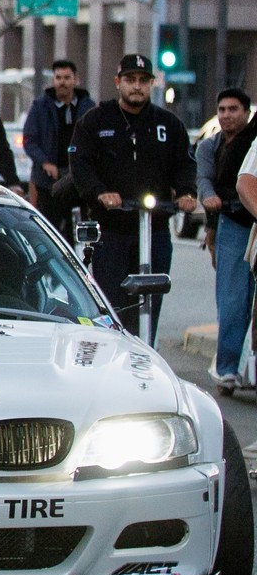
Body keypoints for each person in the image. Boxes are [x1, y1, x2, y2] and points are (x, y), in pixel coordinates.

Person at [71, 52, 197, 335]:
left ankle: (146, 357)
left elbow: (185, 164)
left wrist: (187, 193)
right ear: (118, 82)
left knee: (151, 302)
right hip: (112, 229)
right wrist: (100, 193)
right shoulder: (97, 120)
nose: (136, 86)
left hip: (155, 229)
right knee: (111, 304)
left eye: (143, 80)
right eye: (130, 80)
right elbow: (80, 163)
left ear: (152, 83)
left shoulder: (169, 124)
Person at [196, 88, 257, 387]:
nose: (227, 115)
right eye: (222, 110)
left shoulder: (252, 140)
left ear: (246, 113)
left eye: (233, 109)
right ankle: (228, 367)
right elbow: (204, 180)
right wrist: (209, 203)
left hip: (253, 221)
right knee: (233, 298)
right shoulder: (210, 146)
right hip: (231, 222)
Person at [22, 59, 95, 237]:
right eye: (58, 77)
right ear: (53, 80)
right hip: (48, 180)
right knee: (49, 230)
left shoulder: (88, 106)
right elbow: (29, 140)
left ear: (75, 80)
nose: (62, 82)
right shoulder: (40, 106)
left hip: (78, 179)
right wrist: (45, 163)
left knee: (78, 231)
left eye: (67, 77)